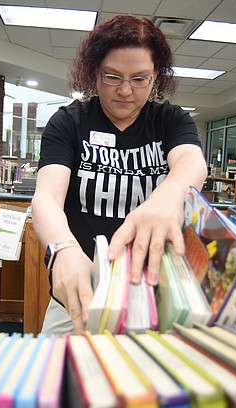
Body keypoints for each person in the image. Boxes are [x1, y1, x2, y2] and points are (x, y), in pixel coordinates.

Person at [31, 15, 208, 335]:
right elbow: (47, 197)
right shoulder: (69, 122)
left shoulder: (170, 120)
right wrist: (63, 249)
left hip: (149, 296)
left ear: (156, 78)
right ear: (94, 72)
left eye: (140, 79)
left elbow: (192, 163)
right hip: (77, 293)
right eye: (112, 77)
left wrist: (167, 197)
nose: (126, 90)